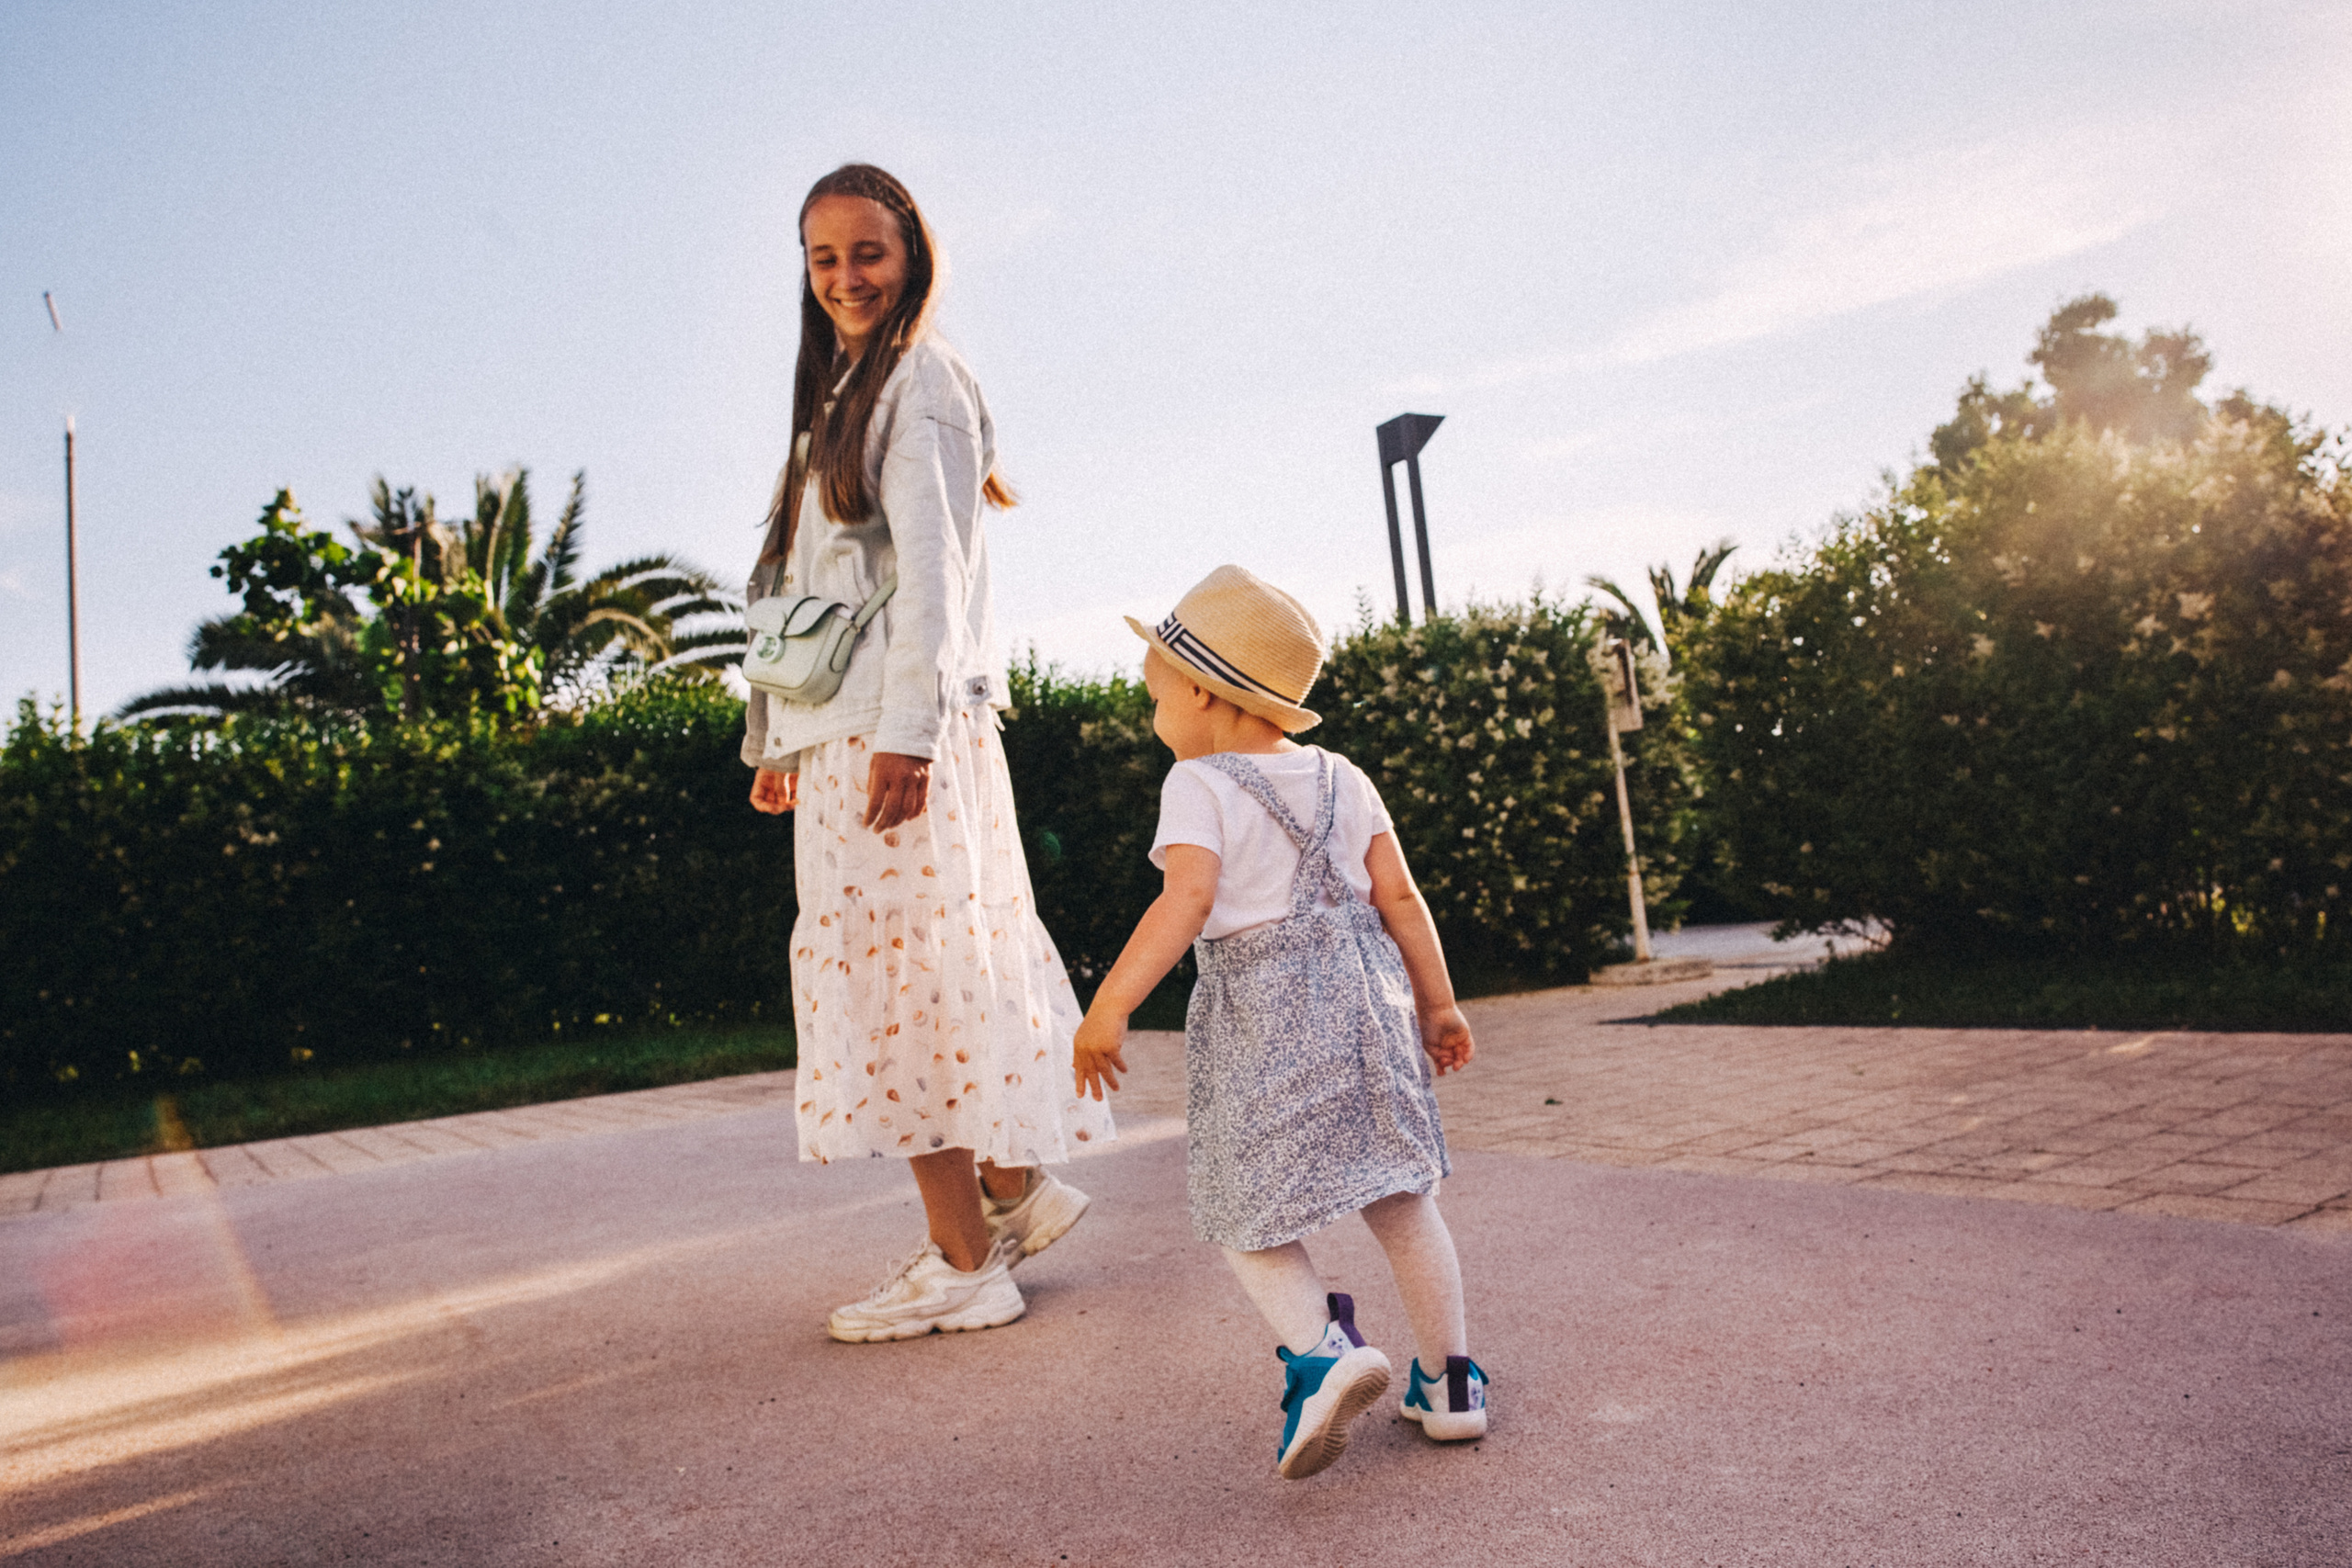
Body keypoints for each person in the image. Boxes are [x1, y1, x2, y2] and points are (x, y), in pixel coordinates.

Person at [745, 164, 1113, 1343]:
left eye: (868, 251)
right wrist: (777, 732)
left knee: (900, 989)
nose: (846, 277)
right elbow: (807, 592)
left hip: (899, 736)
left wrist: (903, 738)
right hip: (847, 733)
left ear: (912, 255)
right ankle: (1011, 1193)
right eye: (824, 258)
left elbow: (934, 582)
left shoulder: (922, 381)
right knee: (909, 979)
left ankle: (965, 1264)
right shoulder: (839, 394)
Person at [1069, 564, 1490, 1479]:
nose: (1153, 714)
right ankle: (1451, 1383)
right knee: (1401, 1194)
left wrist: (1109, 1004)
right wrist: (1439, 1004)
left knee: (1242, 1205)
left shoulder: (1198, 783)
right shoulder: (1343, 775)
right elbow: (1400, 897)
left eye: (1154, 695)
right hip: (1369, 1008)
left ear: (1200, 692)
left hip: (1264, 1018)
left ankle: (1320, 1352)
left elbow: (1185, 901)